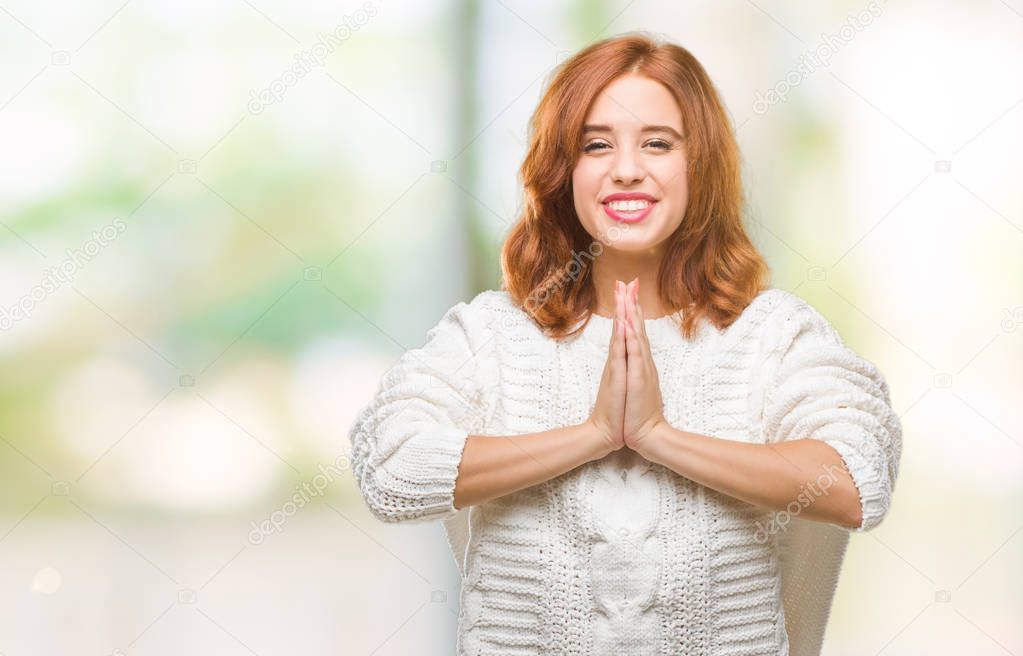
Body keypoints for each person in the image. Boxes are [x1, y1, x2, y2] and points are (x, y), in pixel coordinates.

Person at [348, 32, 902, 656]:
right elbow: (391, 470)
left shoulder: (772, 335)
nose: (627, 168)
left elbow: (857, 480)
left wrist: (660, 437)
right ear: (565, 172)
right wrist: (592, 435)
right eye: (596, 144)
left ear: (700, 166)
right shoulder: (492, 334)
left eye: (658, 144)